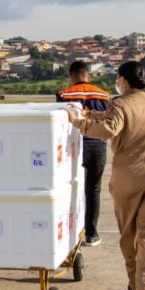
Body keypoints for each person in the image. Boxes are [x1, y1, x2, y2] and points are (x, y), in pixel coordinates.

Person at [65, 61, 145, 290]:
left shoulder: (121, 103)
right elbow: (117, 117)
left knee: (129, 233)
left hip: (129, 173)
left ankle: (134, 284)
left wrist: (80, 123)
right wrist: (91, 114)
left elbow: (111, 127)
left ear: (122, 80)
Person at [56, 61, 110, 246]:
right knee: (93, 189)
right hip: (97, 145)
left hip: (75, 145)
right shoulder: (104, 95)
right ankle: (92, 234)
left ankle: (70, 229)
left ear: (72, 76)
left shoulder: (64, 94)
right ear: (87, 75)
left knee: (68, 187)